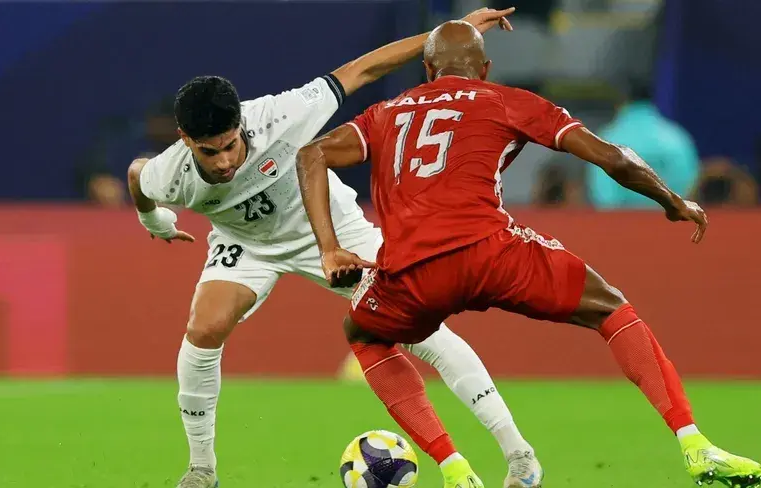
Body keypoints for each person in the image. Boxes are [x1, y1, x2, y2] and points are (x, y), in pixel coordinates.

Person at [295, 20, 761, 488]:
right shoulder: (506, 100)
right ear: (485, 68)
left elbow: (310, 154)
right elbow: (614, 157)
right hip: (493, 256)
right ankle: (694, 442)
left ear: (428, 68)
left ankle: (455, 468)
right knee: (610, 309)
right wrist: (672, 201)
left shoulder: (385, 112)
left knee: (364, 334)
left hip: (412, 271)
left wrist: (330, 248)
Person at [125, 9, 544, 488]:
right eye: (209, 152)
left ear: (241, 122)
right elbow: (138, 176)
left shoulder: (282, 115)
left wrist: (441, 37)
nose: (223, 162)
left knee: (424, 332)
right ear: (185, 140)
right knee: (204, 328)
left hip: (334, 230)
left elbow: (363, 69)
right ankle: (201, 469)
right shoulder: (170, 172)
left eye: (229, 145)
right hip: (247, 243)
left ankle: (519, 454)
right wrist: (153, 219)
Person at [586, 82, 701, 209]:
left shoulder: (608, 137)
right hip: (670, 218)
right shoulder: (676, 137)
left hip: (622, 219)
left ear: (622, 101)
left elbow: (604, 196)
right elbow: (689, 187)